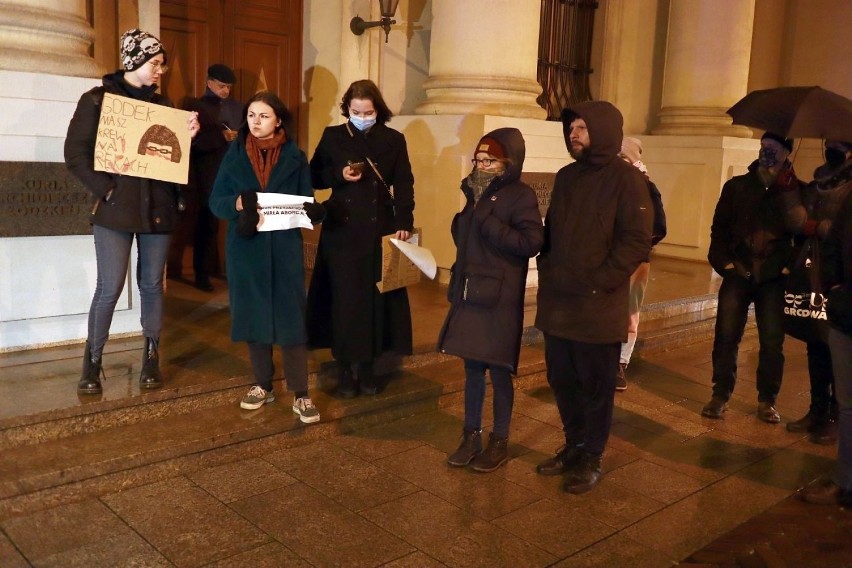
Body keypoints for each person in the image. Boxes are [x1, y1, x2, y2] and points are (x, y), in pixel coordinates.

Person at [65, 28, 200, 395]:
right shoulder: (96, 100)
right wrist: (108, 189)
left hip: (159, 210)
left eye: (162, 64)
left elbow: (173, 159)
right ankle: (92, 362)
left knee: (153, 285)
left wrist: (187, 138)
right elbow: (75, 156)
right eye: (155, 63)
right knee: (109, 287)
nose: (161, 70)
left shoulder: (166, 107)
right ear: (135, 61)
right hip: (114, 211)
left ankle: (151, 358)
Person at [535, 102, 652, 494]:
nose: (574, 134)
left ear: (602, 131)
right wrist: (547, 267)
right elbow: (553, 228)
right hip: (560, 303)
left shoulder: (626, 179)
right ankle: (573, 444)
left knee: (596, 386)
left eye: (582, 128)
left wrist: (602, 280)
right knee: (562, 380)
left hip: (598, 304)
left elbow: (636, 239)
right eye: (572, 127)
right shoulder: (566, 176)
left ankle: (591, 456)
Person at [208, 91, 324, 423]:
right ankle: (263, 385)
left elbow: (306, 201)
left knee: (291, 318)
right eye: (251, 116)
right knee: (253, 316)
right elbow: (216, 202)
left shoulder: (296, 157)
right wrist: (238, 205)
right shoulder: (232, 157)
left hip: (285, 247)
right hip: (246, 249)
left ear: (278, 120)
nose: (256, 122)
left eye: (263, 116)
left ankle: (301, 393)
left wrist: (313, 212)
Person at [438, 129, 544, 472]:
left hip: (499, 298)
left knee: (499, 372)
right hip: (472, 291)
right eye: (479, 160)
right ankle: (470, 436)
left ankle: (500, 441)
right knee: (471, 369)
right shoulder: (475, 191)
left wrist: (489, 223)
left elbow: (530, 243)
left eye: (490, 160)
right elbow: (468, 240)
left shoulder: (521, 195)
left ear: (508, 162)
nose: (482, 166)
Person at [306, 79, 415, 398]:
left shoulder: (393, 140)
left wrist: (404, 221)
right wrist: (339, 175)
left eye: (367, 112)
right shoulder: (333, 136)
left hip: (379, 228)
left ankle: (368, 368)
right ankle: (343, 368)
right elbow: (313, 176)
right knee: (342, 300)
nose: (362, 116)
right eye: (356, 111)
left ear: (377, 110)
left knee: (373, 301)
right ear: (347, 109)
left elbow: (405, 183)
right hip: (341, 230)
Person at [702, 132, 795, 423]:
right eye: (764, 147)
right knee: (727, 335)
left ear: (786, 153)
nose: (767, 152)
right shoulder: (737, 187)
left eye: (774, 148)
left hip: (773, 278)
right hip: (738, 272)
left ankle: (767, 400)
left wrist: (786, 267)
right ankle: (720, 393)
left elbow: (799, 236)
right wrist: (725, 264)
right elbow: (719, 230)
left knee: (771, 341)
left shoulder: (794, 192)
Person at [781, 140, 852, 444]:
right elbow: (797, 222)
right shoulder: (817, 181)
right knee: (814, 341)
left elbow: (837, 229)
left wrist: (819, 226)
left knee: (834, 343)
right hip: (812, 270)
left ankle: (836, 414)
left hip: (838, 274)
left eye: (840, 143)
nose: (831, 148)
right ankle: (817, 408)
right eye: (830, 142)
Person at [799, 188, 852, 506]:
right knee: (848, 406)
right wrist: (834, 287)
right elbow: (832, 245)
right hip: (847, 314)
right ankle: (845, 482)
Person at [174, 64, 244, 291]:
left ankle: (227, 269)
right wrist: (221, 137)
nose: (225, 91)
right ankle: (201, 274)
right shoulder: (195, 106)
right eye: (221, 86)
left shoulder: (238, 107)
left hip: (234, 171)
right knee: (205, 226)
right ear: (209, 82)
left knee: (234, 222)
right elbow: (191, 143)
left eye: (229, 87)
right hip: (206, 174)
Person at [615, 137, 667, 391]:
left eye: (623, 158)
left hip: (635, 261)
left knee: (629, 314)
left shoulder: (646, 187)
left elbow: (659, 227)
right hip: (610, 259)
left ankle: (620, 363)